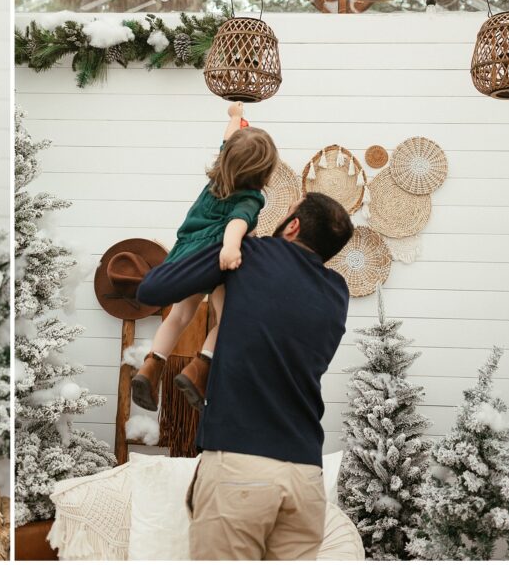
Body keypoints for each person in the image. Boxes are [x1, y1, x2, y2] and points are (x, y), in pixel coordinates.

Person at [137, 192, 354, 560]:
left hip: (240, 465)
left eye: (286, 212)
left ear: (293, 225)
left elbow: (152, 290)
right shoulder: (338, 292)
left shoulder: (249, 256)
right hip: (305, 480)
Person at [131, 102, 277, 412]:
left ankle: (151, 367)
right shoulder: (251, 197)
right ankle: (198, 370)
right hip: (215, 261)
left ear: (226, 158)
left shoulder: (217, 179)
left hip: (186, 254)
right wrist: (231, 246)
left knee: (180, 315)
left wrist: (236, 117)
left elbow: (229, 139)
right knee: (228, 320)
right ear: (263, 172)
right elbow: (238, 222)